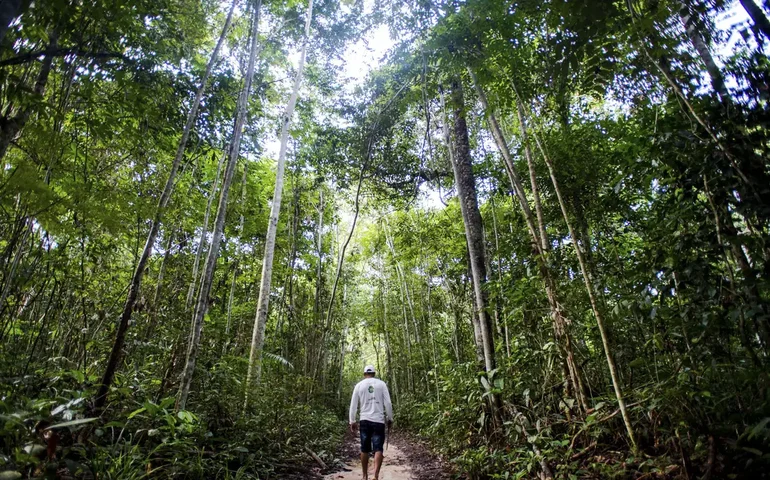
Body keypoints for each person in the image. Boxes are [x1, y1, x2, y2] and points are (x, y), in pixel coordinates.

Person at [349, 365, 393, 480]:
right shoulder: (381, 384)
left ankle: (364, 476)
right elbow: (388, 403)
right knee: (378, 448)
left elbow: (353, 405)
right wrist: (390, 418)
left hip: (364, 420)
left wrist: (352, 420)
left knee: (364, 449)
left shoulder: (359, 385)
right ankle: (376, 476)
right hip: (378, 420)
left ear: (364, 374)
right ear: (374, 373)